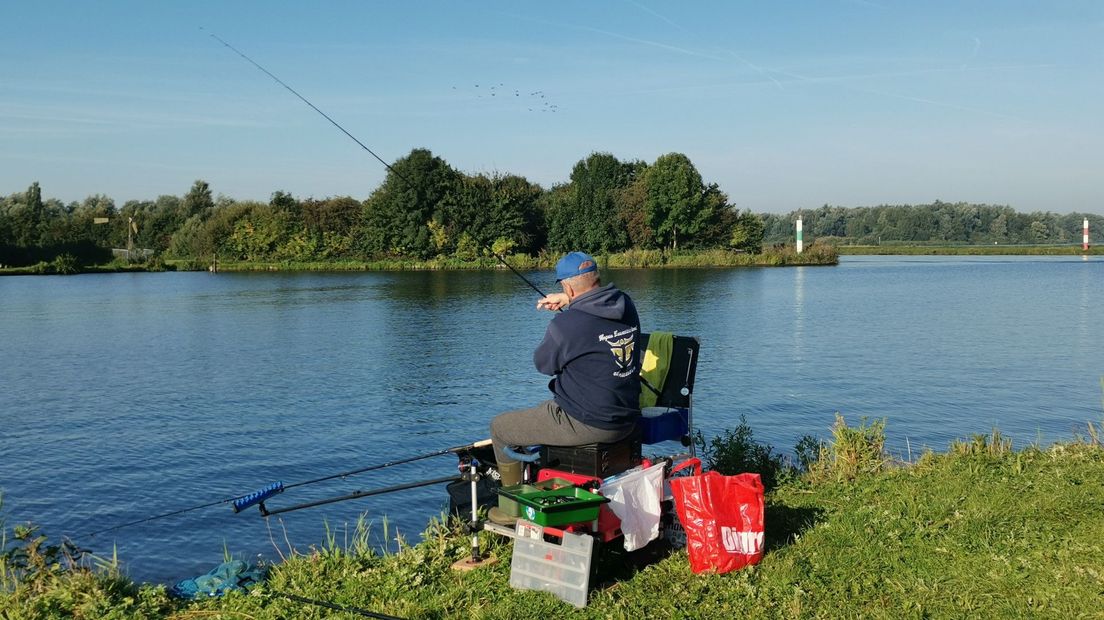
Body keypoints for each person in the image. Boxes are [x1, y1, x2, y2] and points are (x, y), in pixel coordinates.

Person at [488, 251, 642, 525]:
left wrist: (568, 312)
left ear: (567, 285)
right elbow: (594, 311)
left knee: (501, 428)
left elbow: (543, 364)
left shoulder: (566, 324)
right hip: (627, 418)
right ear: (596, 277)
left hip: (587, 422)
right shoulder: (626, 304)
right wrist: (571, 301)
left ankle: (510, 510)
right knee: (542, 410)